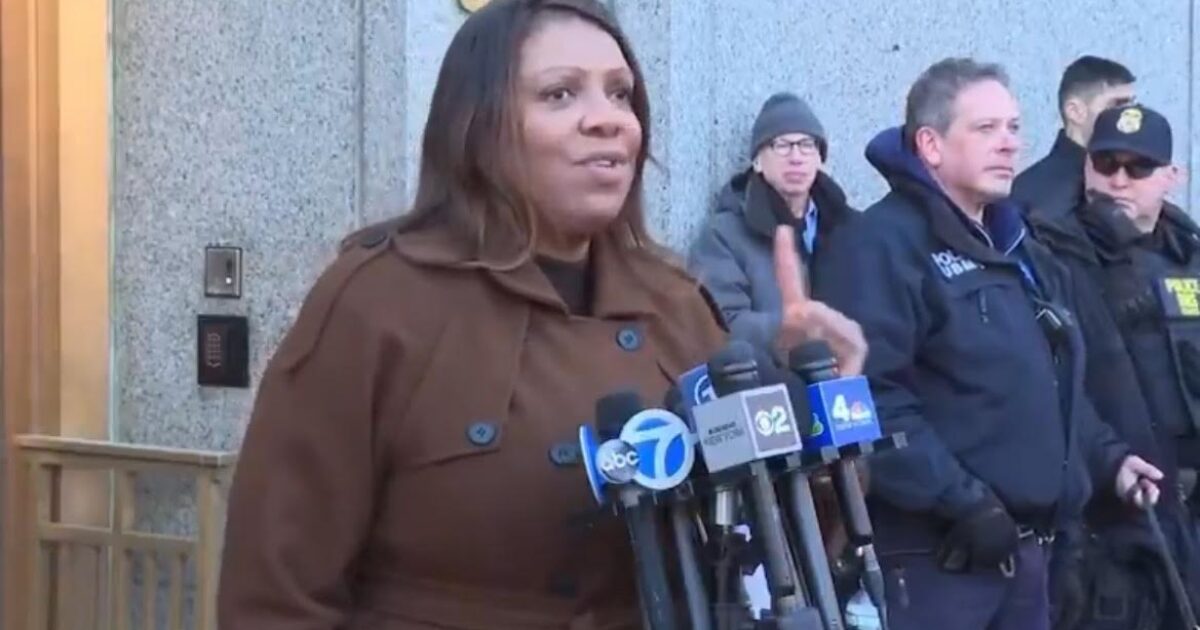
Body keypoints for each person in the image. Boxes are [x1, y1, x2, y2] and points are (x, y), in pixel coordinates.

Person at [214, 1, 866, 629]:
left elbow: (771, 552)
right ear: (479, 124)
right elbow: (277, 594)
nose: (607, 120)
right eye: (560, 94)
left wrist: (816, 415)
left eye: (621, 94)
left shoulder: (674, 303)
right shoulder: (378, 300)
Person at [811, 57, 1161, 630]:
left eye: (1014, 127)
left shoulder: (1017, 245)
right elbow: (866, 399)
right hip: (938, 560)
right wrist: (962, 500)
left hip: (1030, 560)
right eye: (986, 128)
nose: (1009, 143)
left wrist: (1110, 459)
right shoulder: (879, 246)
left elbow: (1048, 384)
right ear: (930, 144)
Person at [1029, 103, 1200, 629]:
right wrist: (1109, 461)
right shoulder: (1050, 255)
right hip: (1111, 521)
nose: (1119, 181)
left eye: (1138, 167)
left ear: (1172, 176)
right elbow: (1049, 384)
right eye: (1106, 164)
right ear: (1086, 167)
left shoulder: (1188, 254)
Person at [688, 92, 857, 352]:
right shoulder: (723, 236)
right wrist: (791, 327)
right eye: (781, 145)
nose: (796, 157)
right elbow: (719, 324)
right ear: (757, 161)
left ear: (819, 158)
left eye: (807, 145)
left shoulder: (849, 227)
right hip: (771, 373)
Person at [1011, 55, 1136, 218]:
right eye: (1117, 105)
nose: (1130, 117)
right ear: (1075, 112)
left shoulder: (1139, 177)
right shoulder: (1039, 194)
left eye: (1133, 106)